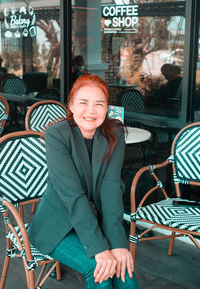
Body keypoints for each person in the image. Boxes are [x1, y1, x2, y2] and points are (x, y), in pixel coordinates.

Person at [28, 74, 139, 289]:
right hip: (56, 225)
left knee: (126, 274)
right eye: (83, 103)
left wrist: (117, 245)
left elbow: (111, 189)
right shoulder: (56, 134)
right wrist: (99, 248)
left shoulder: (114, 133)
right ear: (70, 105)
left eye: (99, 104)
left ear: (107, 108)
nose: (91, 111)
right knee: (100, 273)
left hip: (94, 222)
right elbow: (73, 197)